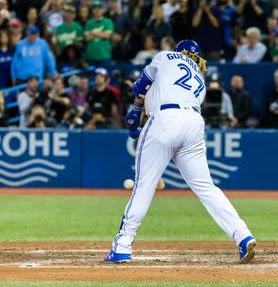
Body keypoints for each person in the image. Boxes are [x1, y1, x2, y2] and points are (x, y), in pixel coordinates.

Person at [104, 39, 256, 264]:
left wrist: (136, 109)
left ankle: (122, 245)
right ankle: (243, 236)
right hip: (193, 123)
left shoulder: (165, 56)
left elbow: (142, 85)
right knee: (206, 187)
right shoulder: (200, 78)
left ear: (179, 51)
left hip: (165, 119)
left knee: (144, 185)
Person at [84, 0, 114, 67]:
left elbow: (107, 35)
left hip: (104, 56)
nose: (97, 10)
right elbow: (87, 38)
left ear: (103, 10)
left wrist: (92, 33)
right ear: (92, 10)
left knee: (106, 77)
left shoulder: (108, 22)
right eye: (95, 8)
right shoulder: (89, 23)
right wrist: (101, 34)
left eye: (99, 8)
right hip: (91, 56)